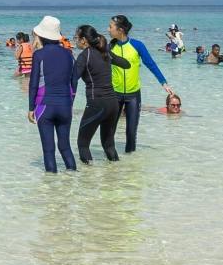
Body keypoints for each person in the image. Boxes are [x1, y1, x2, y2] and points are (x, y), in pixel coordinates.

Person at [107, 15, 176, 156]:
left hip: (133, 95)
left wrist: (163, 82)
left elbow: (151, 64)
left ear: (120, 30)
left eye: (110, 27)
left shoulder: (137, 45)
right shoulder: (110, 47)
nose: (108, 30)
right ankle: (111, 164)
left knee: (131, 132)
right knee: (110, 130)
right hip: (114, 94)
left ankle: (131, 165)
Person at [26, 16, 78, 173]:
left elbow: (33, 83)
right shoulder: (69, 54)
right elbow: (73, 81)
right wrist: (70, 101)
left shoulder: (39, 55)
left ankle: (52, 191)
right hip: (65, 105)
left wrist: (30, 108)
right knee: (65, 147)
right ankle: (74, 179)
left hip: (45, 106)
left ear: (41, 35)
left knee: (49, 150)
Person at [72, 26, 129, 162]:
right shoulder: (105, 52)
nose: (75, 41)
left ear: (84, 40)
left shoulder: (84, 56)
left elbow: (72, 79)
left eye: (76, 38)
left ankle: (88, 179)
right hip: (113, 104)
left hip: (96, 104)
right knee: (108, 145)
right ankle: (116, 175)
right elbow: (126, 64)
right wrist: (111, 56)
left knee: (83, 144)